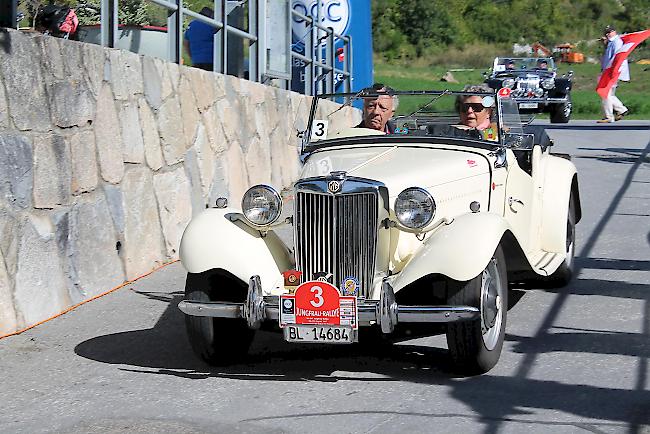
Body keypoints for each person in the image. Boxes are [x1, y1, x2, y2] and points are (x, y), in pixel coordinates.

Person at [597, 25, 629, 123]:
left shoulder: (616, 42)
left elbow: (616, 58)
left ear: (614, 31)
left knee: (605, 92)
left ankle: (609, 116)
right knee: (608, 93)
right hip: (610, 70)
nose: (607, 34)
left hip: (614, 71)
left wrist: (611, 71)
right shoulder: (611, 42)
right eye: (606, 32)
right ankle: (621, 110)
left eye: (609, 32)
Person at [183, 7, 216, 71]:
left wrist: (192, 57)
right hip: (211, 61)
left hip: (196, 61)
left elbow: (185, 43)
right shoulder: (213, 24)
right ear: (211, 15)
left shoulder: (192, 25)